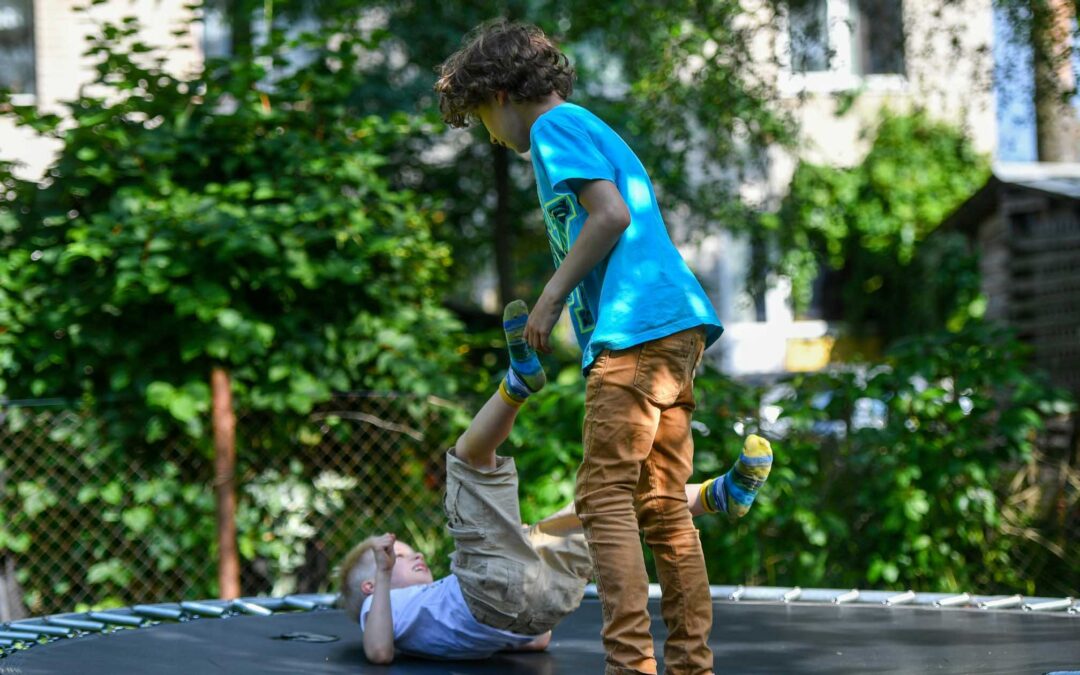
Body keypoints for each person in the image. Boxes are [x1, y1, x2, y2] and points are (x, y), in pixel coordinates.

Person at [435, 20, 741, 675]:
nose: (491, 135)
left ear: (501, 95)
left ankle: (629, 665)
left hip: (635, 331)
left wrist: (550, 298)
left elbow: (610, 215)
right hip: (674, 327)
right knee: (663, 505)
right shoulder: (587, 125)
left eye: (483, 118)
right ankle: (692, 664)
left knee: (604, 499)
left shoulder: (553, 127)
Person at [338, 301, 772, 665]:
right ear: (371, 586)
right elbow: (378, 652)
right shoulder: (382, 607)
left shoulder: (425, 615)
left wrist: (519, 582)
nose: (413, 556)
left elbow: (535, 641)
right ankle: (517, 382)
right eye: (395, 557)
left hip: (539, 604)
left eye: (403, 553)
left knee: (602, 514)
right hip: (489, 590)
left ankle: (718, 495)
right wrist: (384, 570)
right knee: (468, 459)